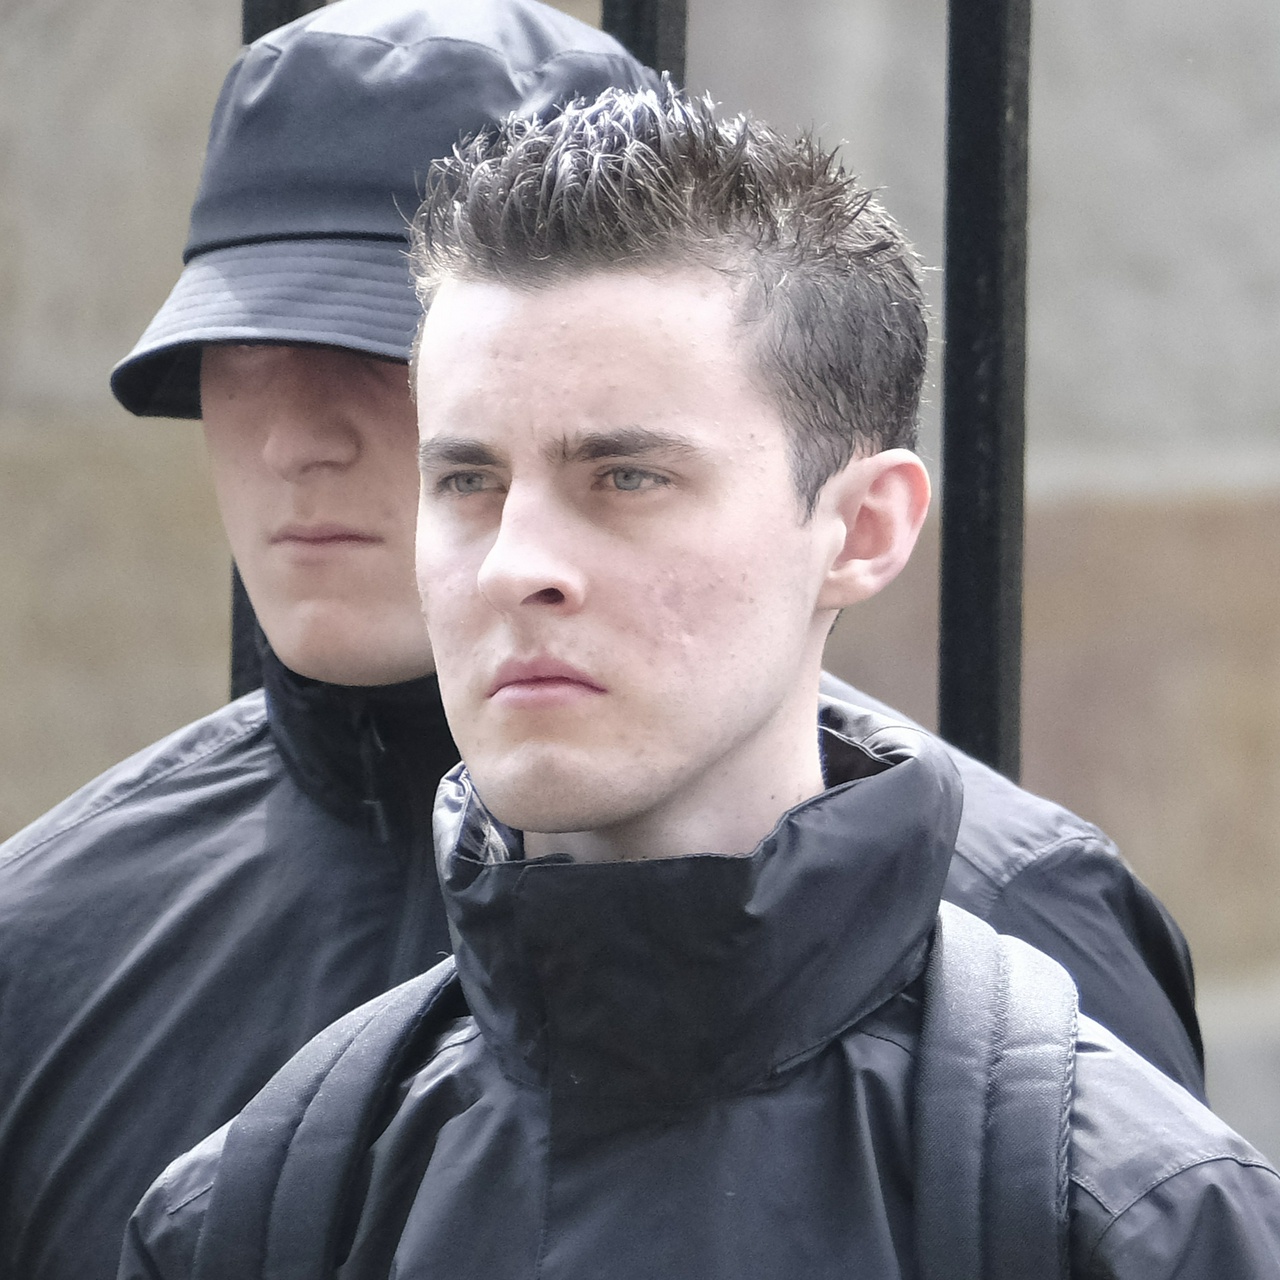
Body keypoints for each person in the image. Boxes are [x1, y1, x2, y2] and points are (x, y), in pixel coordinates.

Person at [0, 2, 1200, 1278]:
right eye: (238, 353)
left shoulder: (1018, 955)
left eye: (370, 351)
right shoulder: (58, 935)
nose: (298, 436)